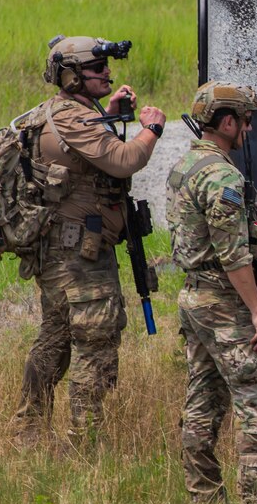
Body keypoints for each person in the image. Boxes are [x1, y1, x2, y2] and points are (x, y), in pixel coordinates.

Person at [11, 35, 167, 448]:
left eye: (105, 68)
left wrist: (110, 111)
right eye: (96, 69)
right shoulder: (70, 117)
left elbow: (85, 149)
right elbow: (123, 159)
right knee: (95, 343)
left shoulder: (65, 112)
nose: (106, 74)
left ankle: (28, 431)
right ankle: (84, 440)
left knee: (57, 339)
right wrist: (150, 130)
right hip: (80, 255)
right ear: (72, 76)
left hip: (64, 250)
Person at [167, 82, 257, 504]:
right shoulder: (223, 175)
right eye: (245, 121)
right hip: (221, 302)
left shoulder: (184, 167)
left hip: (194, 297)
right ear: (227, 122)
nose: (248, 129)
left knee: (203, 395)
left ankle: (204, 498)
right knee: (254, 400)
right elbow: (233, 255)